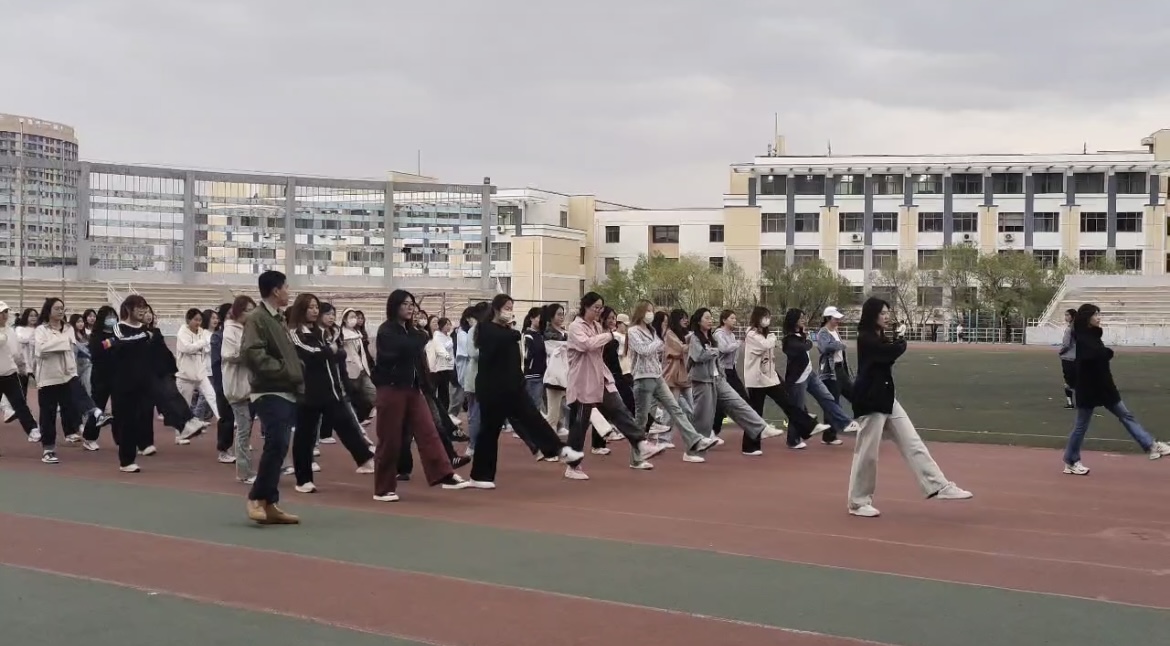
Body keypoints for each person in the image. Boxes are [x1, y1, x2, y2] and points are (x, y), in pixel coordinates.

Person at [847, 297, 972, 518]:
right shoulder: (866, 338)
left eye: (887, 312)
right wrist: (902, 341)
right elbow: (888, 354)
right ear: (872, 315)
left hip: (886, 398)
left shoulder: (878, 336)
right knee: (867, 454)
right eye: (882, 313)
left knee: (913, 443)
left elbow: (888, 353)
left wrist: (898, 340)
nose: (887, 316)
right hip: (870, 401)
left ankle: (939, 485)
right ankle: (858, 502)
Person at [464, 294, 584, 488]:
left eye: (511, 307)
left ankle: (559, 450)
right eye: (506, 307)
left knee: (533, 418)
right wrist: (512, 332)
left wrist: (520, 381)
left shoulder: (507, 332)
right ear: (495, 309)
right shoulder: (486, 329)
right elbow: (502, 339)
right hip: (491, 389)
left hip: (513, 387)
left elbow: (514, 358)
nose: (509, 311)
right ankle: (480, 476)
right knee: (489, 432)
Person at [371, 289, 464, 502]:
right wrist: (419, 337)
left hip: (413, 389)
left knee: (428, 431)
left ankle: (444, 473)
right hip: (391, 388)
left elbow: (417, 346)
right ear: (395, 306)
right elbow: (402, 349)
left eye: (412, 304)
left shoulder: (413, 332)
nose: (410, 308)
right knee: (390, 439)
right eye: (405, 304)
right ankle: (383, 488)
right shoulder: (387, 331)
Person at [564, 294, 664, 479]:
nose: (598, 311)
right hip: (582, 381)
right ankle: (573, 466)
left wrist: (608, 335)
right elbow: (587, 345)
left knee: (619, 410)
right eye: (596, 307)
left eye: (600, 308)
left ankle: (640, 443)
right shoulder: (576, 327)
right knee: (579, 424)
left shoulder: (596, 326)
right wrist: (609, 335)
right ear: (585, 307)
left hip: (600, 379)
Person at [1062, 303, 1170, 475]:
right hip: (1088, 388)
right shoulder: (1082, 337)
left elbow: (1099, 355)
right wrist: (1106, 352)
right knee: (1081, 426)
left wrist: (1104, 353)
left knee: (1126, 415)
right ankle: (1071, 461)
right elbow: (1094, 355)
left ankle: (1150, 445)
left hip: (1104, 387)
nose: (1099, 318)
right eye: (1096, 314)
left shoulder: (1092, 335)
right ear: (1087, 317)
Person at [287, 294, 376, 494]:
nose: (314, 311)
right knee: (305, 436)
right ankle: (303, 479)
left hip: (331, 390)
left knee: (345, 423)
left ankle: (364, 459)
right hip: (308, 393)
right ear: (301, 309)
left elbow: (336, 352)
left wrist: (331, 350)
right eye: (310, 307)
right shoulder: (296, 333)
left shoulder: (323, 332)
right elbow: (309, 353)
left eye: (316, 307)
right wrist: (329, 351)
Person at [240, 270, 302, 525]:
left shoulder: (278, 318)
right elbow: (252, 353)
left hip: (285, 389)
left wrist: (295, 369)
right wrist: (285, 370)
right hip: (269, 390)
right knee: (276, 442)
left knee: (280, 445)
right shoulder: (258, 318)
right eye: (286, 287)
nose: (289, 292)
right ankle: (256, 498)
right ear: (276, 290)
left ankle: (269, 502)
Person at [687, 307, 783, 459]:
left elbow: (717, 357)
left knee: (738, 402)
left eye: (711, 317)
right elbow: (698, 356)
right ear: (698, 321)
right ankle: (692, 451)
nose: (710, 320)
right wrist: (715, 351)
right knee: (703, 417)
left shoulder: (711, 337)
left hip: (719, 378)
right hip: (702, 380)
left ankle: (760, 427)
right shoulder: (694, 338)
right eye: (706, 318)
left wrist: (719, 364)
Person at [105, 295, 156, 473]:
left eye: (144, 307)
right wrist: (144, 336)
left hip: (143, 382)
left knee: (141, 418)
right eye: (139, 307)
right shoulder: (119, 327)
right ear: (128, 309)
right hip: (123, 383)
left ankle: (142, 445)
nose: (143, 311)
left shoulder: (145, 329)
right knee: (126, 421)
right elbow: (121, 342)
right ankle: (126, 461)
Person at [33, 297, 83, 464]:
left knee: (71, 406)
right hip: (47, 377)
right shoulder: (41, 329)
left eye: (62, 308)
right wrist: (62, 342)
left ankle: (74, 430)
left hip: (67, 375)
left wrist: (55, 344)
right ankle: (48, 449)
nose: (60, 311)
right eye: (57, 308)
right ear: (48, 311)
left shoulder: (68, 328)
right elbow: (41, 349)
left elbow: (71, 347)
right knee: (48, 414)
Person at [221, 295, 257, 483]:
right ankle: (244, 472)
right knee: (243, 429)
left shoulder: (245, 328)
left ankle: (246, 470)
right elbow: (230, 354)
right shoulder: (230, 330)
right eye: (248, 310)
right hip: (236, 386)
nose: (251, 314)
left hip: (247, 384)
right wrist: (251, 352)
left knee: (246, 427)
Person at [0, 301, 39, 444]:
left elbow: (17, 353)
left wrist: (22, 368)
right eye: (1, 312)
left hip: (10, 374)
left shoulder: (11, 331)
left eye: (6, 312)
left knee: (20, 403)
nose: (4, 315)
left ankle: (32, 429)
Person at [1057, 308, 1077, 409]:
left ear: (1072, 316)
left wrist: (1060, 352)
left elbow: (1066, 345)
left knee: (1068, 381)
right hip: (1078, 358)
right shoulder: (1081, 329)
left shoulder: (1069, 329)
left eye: (1067, 315)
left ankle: (1070, 402)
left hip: (1068, 358)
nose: (1066, 317)